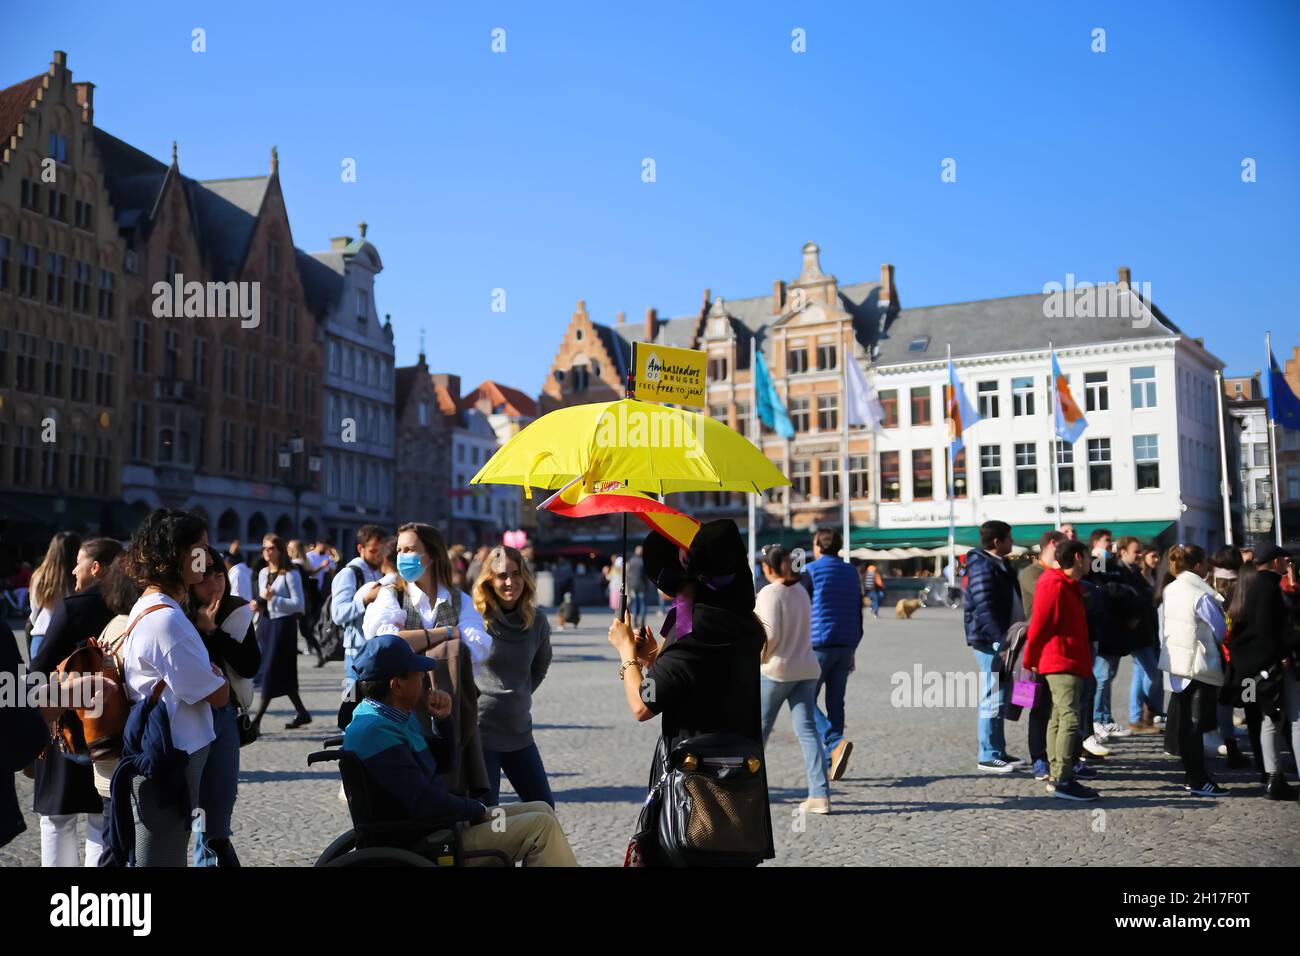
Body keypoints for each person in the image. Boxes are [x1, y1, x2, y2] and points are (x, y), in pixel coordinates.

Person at [609, 521, 775, 866]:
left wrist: (627, 655)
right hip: (741, 785)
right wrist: (656, 658)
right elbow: (702, 677)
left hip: (697, 790)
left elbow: (643, 703)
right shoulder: (743, 624)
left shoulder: (692, 632)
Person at [344, 635, 577, 866]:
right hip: (429, 840)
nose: (424, 677)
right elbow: (425, 802)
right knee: (540, 827)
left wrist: (443, 721)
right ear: (397, 685)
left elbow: (444, 763)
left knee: (542, 809)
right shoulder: (377, 733)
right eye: (417, 672)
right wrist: (476, 809)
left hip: (440, 825)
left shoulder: (389, 716)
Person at [119, 509, 231, 866]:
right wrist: (217, 677)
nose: (208, 557)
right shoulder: (167, 620)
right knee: (163, 857)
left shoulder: (154, 607)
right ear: (175, 554)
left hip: (170, 747)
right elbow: (217, 693)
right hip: (171, 752)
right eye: (200, 548)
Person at [30, 536, 122, 867]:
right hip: (112, 728)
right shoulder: (130, 607)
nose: (73, 569)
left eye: (79, 562)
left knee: (57, 819)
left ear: (95, 567)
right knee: (102, 817)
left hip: (67, 725)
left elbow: (36, 672)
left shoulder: (74, 607)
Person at [187, 546, 261, 866]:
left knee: (215, 809)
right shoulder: (177, 613)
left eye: (219, 576)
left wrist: (213, 633)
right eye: (205, 579)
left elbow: (249, 665)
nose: (215, 586)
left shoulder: (235, 610)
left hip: (223, 716)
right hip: (186, 718)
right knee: (191, 811)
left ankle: (211, 855)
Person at [472, 545, 555, 807]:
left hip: (519, 730)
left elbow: (540, 667)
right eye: (502, 576)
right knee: (486, 816)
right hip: (481, 733)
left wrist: (518, 694)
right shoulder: (476, 619)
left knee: (544, 809)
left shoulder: (537, 621)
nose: (510, 582)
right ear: (489, 580)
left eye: (516, 574)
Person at [755, 545, 829, 814]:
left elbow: (769, 636)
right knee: (808, 731)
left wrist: (760, 658)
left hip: (777, 670)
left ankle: (748, 791)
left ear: (767, 567)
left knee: (757, 733)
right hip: (807, 667)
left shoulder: (768, 593)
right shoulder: (800, 591)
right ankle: (819, 794)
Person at [1022, 539, 1098, 801]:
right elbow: (1040, 625)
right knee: (1069, 718)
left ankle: (1058, 774)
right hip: (1059, 660)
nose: (1090, 562)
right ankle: (1063, 780)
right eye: (1088, 557)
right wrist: (1030, 660)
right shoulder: (1053, 584)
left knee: (1057, 717)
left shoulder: (1066, 584)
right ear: (1078, 557)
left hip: (1068, 660)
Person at [363, 522, 492, 668]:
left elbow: (477, 649)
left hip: (448, 689)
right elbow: (387, 643)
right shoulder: (391, 595)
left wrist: (412, 640)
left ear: (432, 555)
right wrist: (448, 632)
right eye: (399, 550)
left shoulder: (461, 600)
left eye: (409, 549)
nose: (401, 557)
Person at [1227, 545, 1298, 800]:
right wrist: (1282, 655)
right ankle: (1274, 776)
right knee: (1286, 719)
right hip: (1270, 664)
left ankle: (1271, 776)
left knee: (1267, 718)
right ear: (1276, 561)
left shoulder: (1248, 585)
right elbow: (1268, 629)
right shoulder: (1268, 587)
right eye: (1285, 561)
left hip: (1253, 665)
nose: (1287, 565)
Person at [1157, 544, 1229, 797]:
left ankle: (1193, 776)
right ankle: (1198, 779)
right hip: (1198, 663)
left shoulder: (1172, 588)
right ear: (1198, 566)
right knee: (1196, 726)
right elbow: (1220, 629)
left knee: (1188, 725)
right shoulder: (1200, 593)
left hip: (1177, 662)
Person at [964, 520, 1025, 773]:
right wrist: (999, 639)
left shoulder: (1000, 564)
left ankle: (998, 751)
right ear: (997, 541)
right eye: (1009, 538)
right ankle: (988, 754)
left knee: (1001, 695)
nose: (1012, 542)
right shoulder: (982, 566)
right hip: (990, 641)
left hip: (1004, 639)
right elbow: (984, 606)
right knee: (992, 695)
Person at [803, 529, 863, 781]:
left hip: (820, 643)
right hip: (847, 642)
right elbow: (858, 607)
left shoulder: (811, 571)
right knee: (835, 701)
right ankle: (832, 760)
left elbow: (802, 606)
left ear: (818, 545)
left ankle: (834, 742)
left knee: (804, 700)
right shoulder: (851, 571)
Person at [252, 534, 311, 732]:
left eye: (270, 549)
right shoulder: (262, 573)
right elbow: (263, 598)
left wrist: (273, 599)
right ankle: (302, 712)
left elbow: (299, 605)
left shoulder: (291, 574)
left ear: (279, 551)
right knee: (282, 672)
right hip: (267, 625)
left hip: (283, 627)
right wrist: (258, 604)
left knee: (269, 671)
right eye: (264, 548)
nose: (266, 553)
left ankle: (257, 721)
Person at [1020, 529, 1065, 780]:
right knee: (1035, 706)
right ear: (1052, 545)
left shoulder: (1054, 573)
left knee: (1061, 707)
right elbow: (1050, 601)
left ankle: (1063, 757)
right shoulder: (1032, 573)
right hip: (1035, 650)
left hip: (1056, 650)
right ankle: (1038, 758)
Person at [330, 525, 388, 691]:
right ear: (360, 548)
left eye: (381, 551)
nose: (378, 556)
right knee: (350, 702)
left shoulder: (381, 572)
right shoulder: (349, 573)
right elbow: (338, 613)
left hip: (377, 649)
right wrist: (364, 600)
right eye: (373, 551)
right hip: (356, 652)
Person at [1116, 536, 1163, 735]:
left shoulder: (1137, 571)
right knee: (1152, 674)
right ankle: (1143, 714)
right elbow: (1129, 597)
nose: (1140, 555)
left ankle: (1140, 717)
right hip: (1136, 630)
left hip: (1147, 628)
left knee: (1141, 674)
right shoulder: (1122, 572)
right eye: (1136, 551)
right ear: (1123, 552)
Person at [1207, 547, 1247, 766]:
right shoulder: (1242, 585)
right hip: (1237, 649)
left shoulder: (1209, 584)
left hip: (1217, 648)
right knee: (1238, 699)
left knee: (1222, 699)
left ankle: (1227, 740)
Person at [28, 531, 82, 661]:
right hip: (69, 641)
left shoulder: (40, 576)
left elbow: (34, 612)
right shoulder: (79, 578)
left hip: (41, 637)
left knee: (40, 680)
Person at [288, 539, 326, 668]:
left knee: (302, 630)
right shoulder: (304, 563)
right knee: (305, 630)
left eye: (290, 547)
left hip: (298, 601)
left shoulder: (295, 565)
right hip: (307, 600)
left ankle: (320, 654)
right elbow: (310, 574)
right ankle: (320, 654)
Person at [625, 545, 649, 630]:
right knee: (642, 603)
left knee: (634, 603)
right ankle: (642, 621)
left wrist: (629, 585)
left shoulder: (631, 561)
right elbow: (646, 576)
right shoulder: (643, 561)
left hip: (633, 585)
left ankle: (634, 620)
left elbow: (628, 575)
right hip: (642, 585)